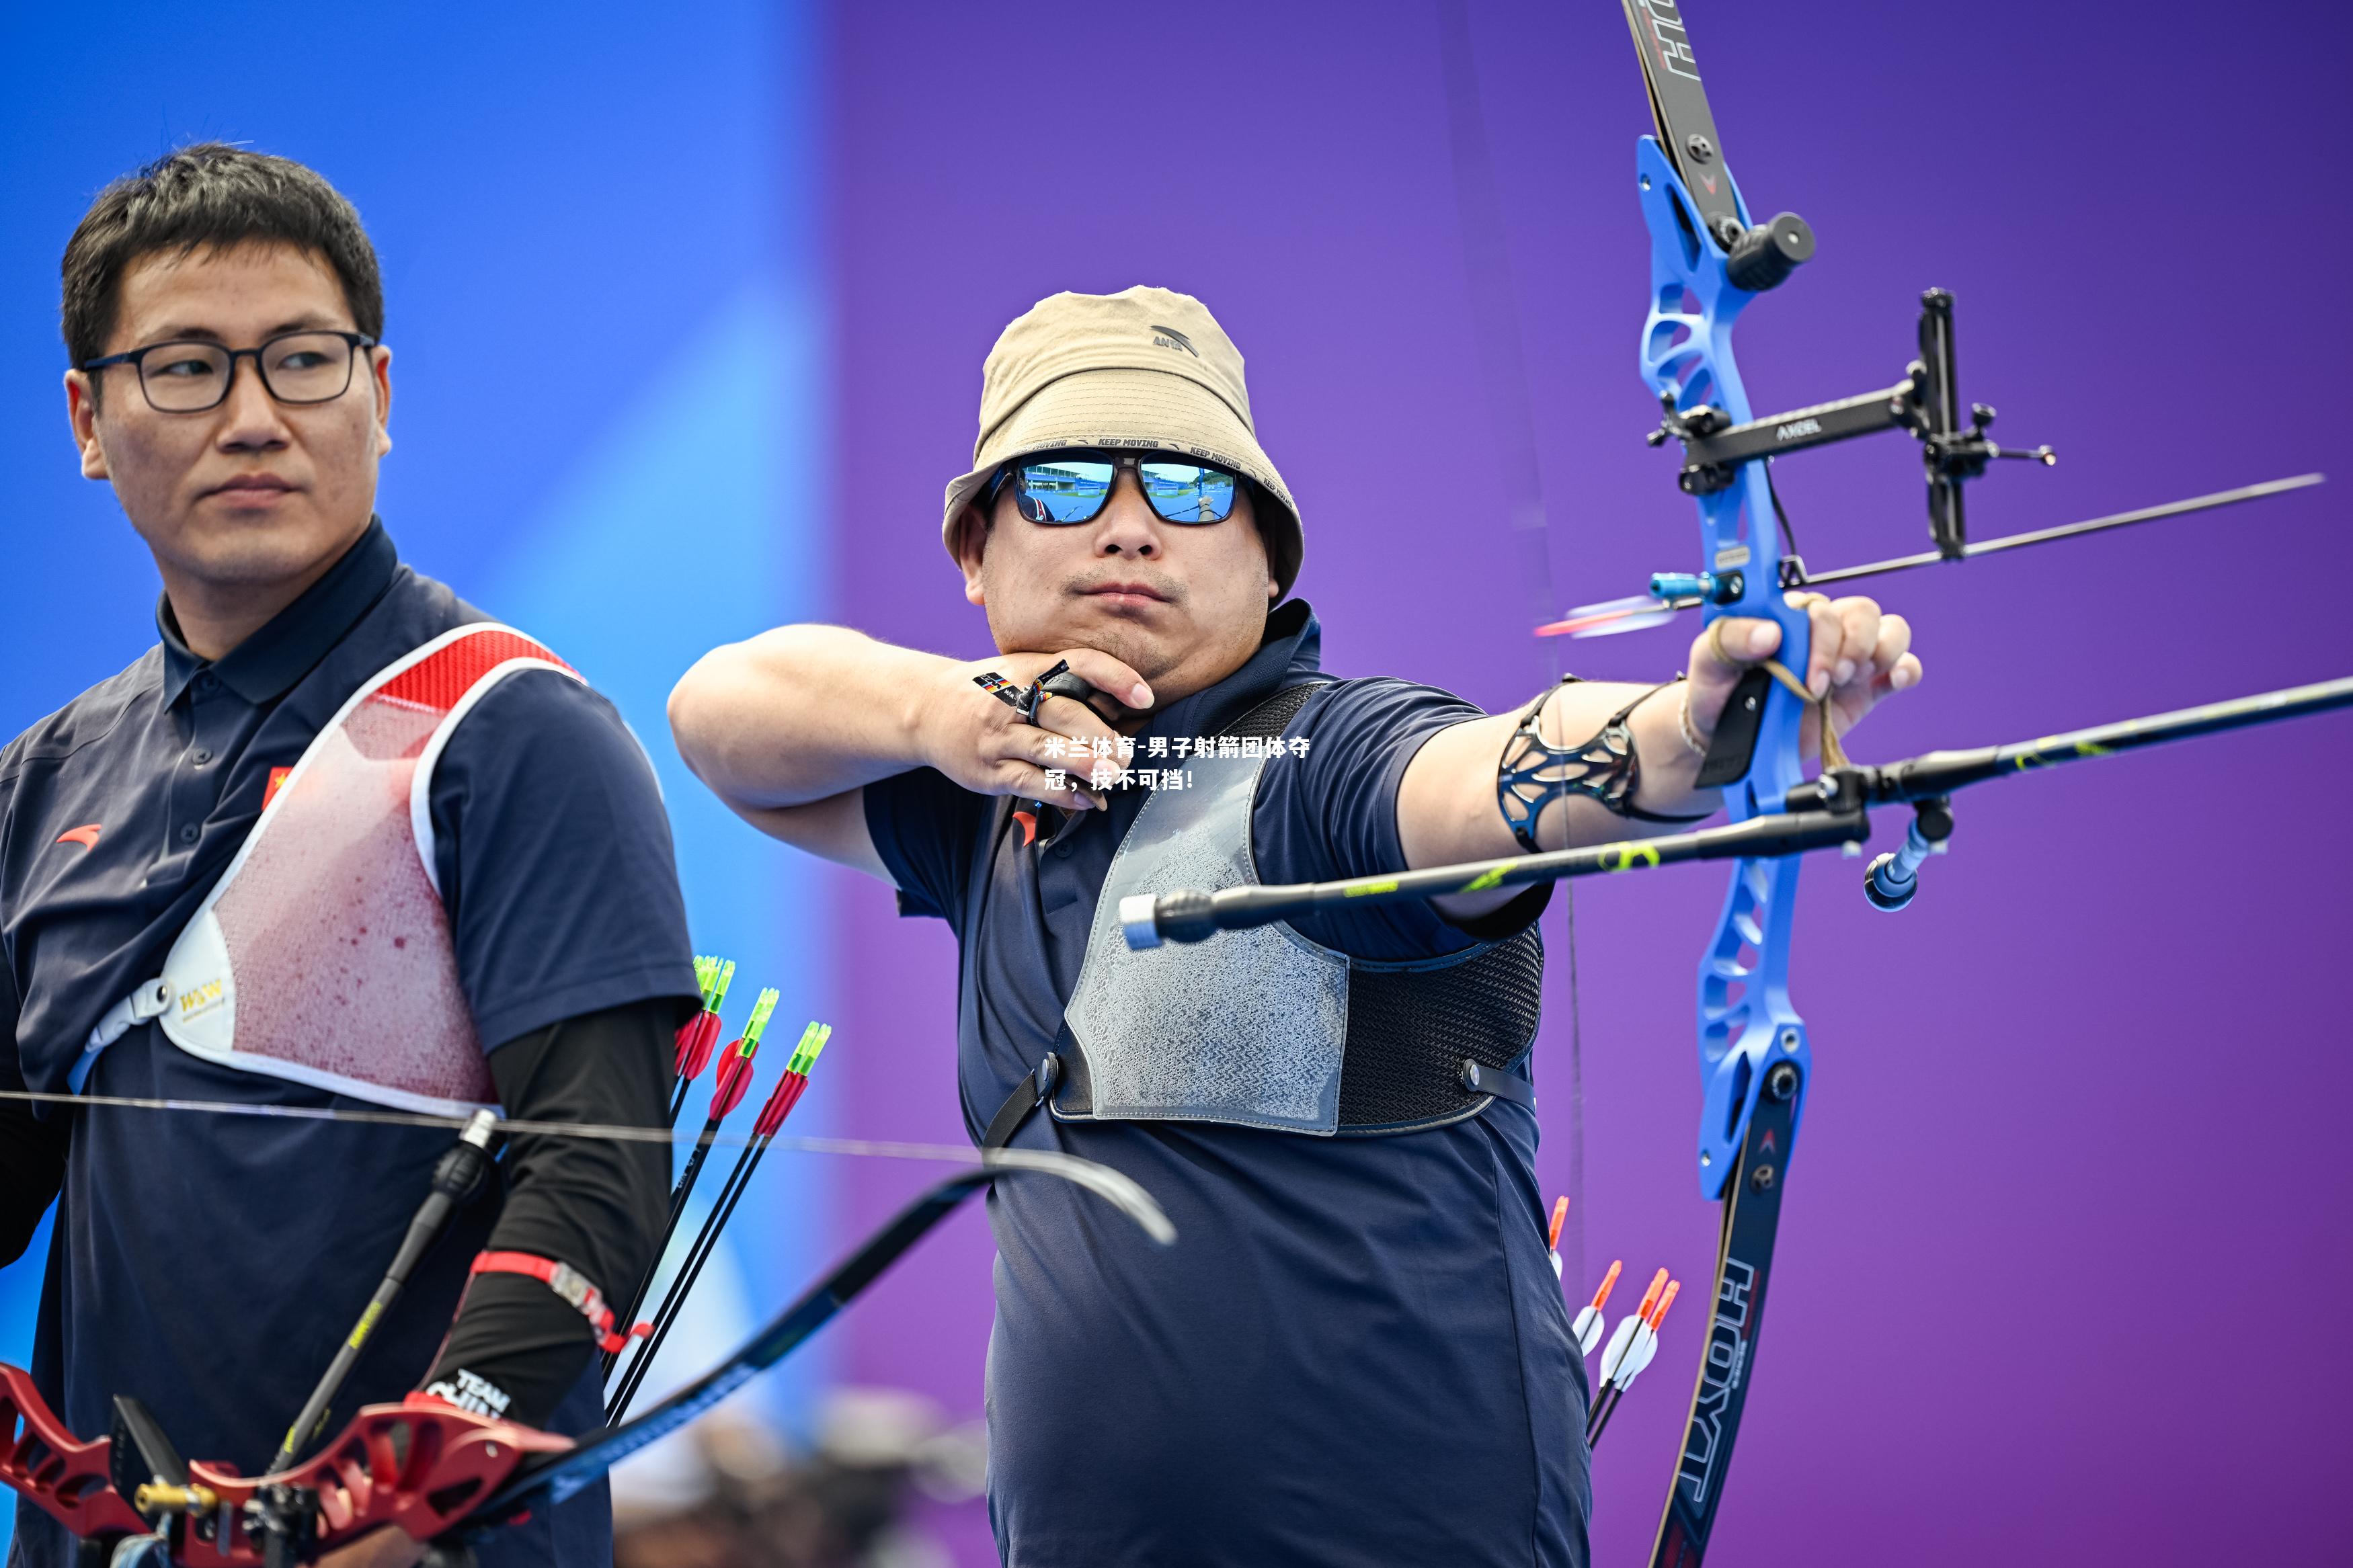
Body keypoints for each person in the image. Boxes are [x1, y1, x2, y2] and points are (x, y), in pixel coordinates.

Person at [668, 285, 1920, 1566]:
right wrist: (942, 711)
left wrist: (1689, 734)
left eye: (1192, 488)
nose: (1131, 527)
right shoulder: (987, 795)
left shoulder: (1325, 763)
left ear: (1270, 561)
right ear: (976, 552)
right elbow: (717, 716)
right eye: (1064, 485)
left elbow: (1483, 777)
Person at [0, 145, 696, 1568]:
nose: (254, 418)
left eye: (303, 363)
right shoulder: (48, 778)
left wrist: (407, 1485)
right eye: (186, 367)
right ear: (87, 416)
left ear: (377, 397)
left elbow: (597, 1179)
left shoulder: (509, 730)